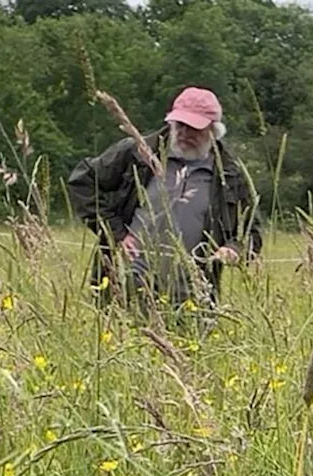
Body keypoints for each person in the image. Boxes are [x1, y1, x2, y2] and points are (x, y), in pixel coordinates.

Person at [66, 86, 261, 312]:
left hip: (194, 293)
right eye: (180, 125)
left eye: (194, 128)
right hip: (128, 281)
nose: (185, 133)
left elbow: (251, 233)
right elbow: (83, 180)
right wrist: (115, 232)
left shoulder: (231, 175)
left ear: (214, 131)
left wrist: (234, 249)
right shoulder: (137, 153)